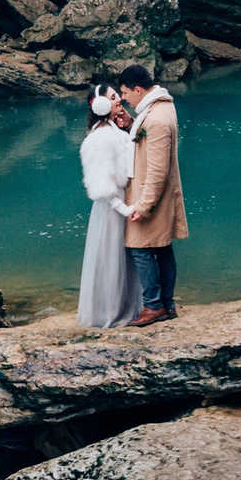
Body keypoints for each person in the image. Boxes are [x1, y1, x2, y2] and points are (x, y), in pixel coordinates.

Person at [117, 63, 186, 324]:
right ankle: (167, 305)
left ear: (137, 89)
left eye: (125, 93)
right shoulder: (159, 107)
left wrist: (143, 206)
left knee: (140, 248)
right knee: (162, 247)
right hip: (158, 194)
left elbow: (157, 171)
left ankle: (154, 306)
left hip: (151, 195)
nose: (123, 98)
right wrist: (131, 124)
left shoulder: (156, 118)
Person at [76, 84, 140, 327]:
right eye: (113, 98)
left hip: (121, 203)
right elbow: (100, 183)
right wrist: (124, 208)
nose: (119, 101)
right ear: (100, 105)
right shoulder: (101, 136)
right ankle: (109, 313)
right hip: (113, 208)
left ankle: (127, 307)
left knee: (123, 259)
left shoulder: (111, 129)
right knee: (112, 258)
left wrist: (129, 124)